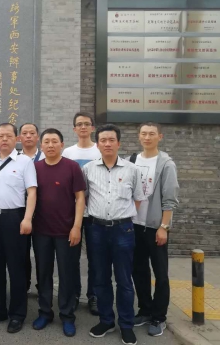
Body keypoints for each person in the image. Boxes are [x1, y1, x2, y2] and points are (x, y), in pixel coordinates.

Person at [83, 124, 145, 345]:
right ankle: (106, 320)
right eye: (103, 140)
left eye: (111, 140)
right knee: (100, 278)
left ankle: (126, 325)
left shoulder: (132, 170)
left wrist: (121, 216)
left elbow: (137, 199)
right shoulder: (88, 169)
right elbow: (84, 198)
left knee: (124, 280)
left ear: (118, 143)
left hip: (123, 230)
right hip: (96, 229)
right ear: (97, 144)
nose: (107, 144)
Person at [0, 123, 37, 334]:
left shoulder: (25, 162)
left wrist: (27, 218)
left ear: (17, 139)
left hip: (15, 219)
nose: (4, 139)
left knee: (16, 268)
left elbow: (32, 192)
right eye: (1, 136)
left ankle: (17, 314)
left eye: (9, 136)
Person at [31, 128, 86, 337]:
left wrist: (77, 227)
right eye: (46, 141)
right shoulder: (35, 167)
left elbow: (80, 198)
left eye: (54, 141)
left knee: (67, 274)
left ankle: (67, 315)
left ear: (62, 145)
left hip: (66, 231)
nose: (50, 145)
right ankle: (45, 312)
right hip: (41, 231)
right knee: (43, 274)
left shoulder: (72, 167)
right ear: (41, 145)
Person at [131, 123, 179, 337]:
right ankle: (145, 309)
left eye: (152, 134)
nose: (147, 137)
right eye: (144, 133)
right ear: (139, 136)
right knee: (139, 270)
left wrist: (164, 227)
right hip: (134, 225)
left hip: (155, 227)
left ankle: (159, 317)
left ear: (160, 136)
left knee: (160, 273)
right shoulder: (132, 160)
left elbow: (170, 199)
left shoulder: (166, 164)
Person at [62, 112, 101, 316]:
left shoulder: (100, 149)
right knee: (72, 257)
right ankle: (74, 293)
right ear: (74, 129)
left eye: (87, 124)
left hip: (95, 212)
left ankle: (94, 295)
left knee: (95, 257)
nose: (83, 127)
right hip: (73, 212)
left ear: (93, 128)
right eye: (79, 124)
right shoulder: (68, 152)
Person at [17, 122, 44, 294]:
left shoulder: (45, 157)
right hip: (21, 212)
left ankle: (43, 287)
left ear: (38, 137)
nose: (28, 136)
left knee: (42, 253)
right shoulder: (14, 158)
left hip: (43, 212)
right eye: (25, 133)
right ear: (19, 137)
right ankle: (24, 284)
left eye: (32, 133)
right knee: (22, 252)